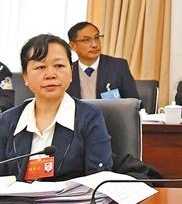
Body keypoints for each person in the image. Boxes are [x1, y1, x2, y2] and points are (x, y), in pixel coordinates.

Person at [0, 34, 112, 181]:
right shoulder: (7, 121)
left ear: (71, 71)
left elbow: (99, 179)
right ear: (25, 77)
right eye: (40, 67)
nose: (50, 74)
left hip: (73, 197)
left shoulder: (89, 117)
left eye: (59, 66)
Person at [67, 22, 140, 101]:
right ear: (72, 46)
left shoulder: (118, 66)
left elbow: (134, 103)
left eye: (97, 38)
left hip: (111, 110)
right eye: (87, 40)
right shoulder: (68, 71)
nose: (94, 45)